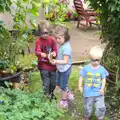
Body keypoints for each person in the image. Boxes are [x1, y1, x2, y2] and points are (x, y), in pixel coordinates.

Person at [78, 46, 109, 120]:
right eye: (93, 60)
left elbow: (104, 79)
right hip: (88, 93)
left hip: (99, 93)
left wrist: (102, 88)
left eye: (97, 60)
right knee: (87, 106)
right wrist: (80, 86)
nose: (95, 62)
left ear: (100, 59)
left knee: (100, 106)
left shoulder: (102, 69)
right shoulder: (86, 68)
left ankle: (100, 117)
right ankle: (87, 116)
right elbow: (81, 77)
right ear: (89, 58)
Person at [50, 24, 73, 108]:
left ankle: (64, 101)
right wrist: (55, 54)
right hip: (61, 68)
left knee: (63, 86)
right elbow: (60, 54)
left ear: (66, 37)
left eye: (59, 38)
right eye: (56, 38)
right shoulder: (62, 44)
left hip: (65, 69)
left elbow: (65, 61)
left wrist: (56, 61)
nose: (57, 40)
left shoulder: (66, 48)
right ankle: (68, 93)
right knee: (60, 83)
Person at [35, 20, 57, 99]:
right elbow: (37, 52)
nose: (44, 35)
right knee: (46, 83)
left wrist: (54, 53)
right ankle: (46, 96)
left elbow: (55, 50)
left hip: (52, 65)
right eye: (42, 33)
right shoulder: (38, 41)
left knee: (53, 83)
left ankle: (51, 93)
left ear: (49, 32)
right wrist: (41, 54)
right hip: (43, 65)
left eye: (46, 33)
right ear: (39, 32)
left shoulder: (52, 40)